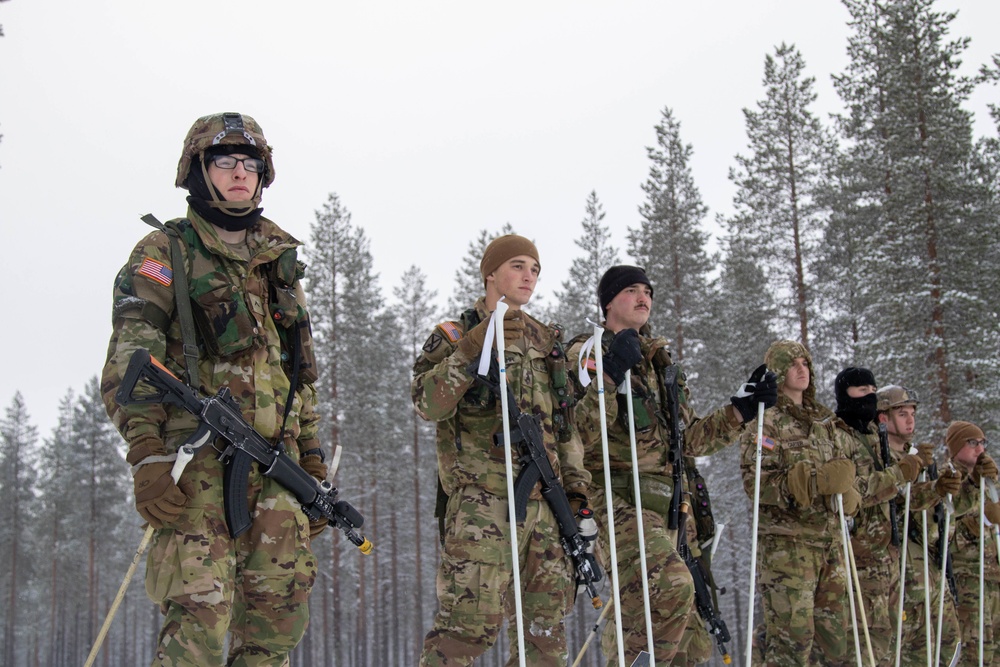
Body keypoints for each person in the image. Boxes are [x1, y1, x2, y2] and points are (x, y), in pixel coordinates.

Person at [102, 112, 325, 666]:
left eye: (250, 164)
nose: (240, 173)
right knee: (197, 628)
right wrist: (147, 456)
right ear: (197, 170)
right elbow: (131, 360)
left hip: (279, 474)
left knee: (277, 627)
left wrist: (314, 467)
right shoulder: (165, 252)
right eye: (224, 161)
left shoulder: (280, 264)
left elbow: (302, 378)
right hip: (195, 468)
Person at [566, 265, 778, 665]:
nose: (644, 297)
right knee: (668, 586)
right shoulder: (590, 351)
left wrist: (742, 409)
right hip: (619, 499)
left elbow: (689, 439)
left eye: (648, 291)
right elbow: (575, 431)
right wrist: (610, 374)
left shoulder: (660, 363)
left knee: (691, 637)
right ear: (609, 301)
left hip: (672, 508)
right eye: (632, 290)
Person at [411, 234, 591, 666]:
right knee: (468, 628)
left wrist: (579, 498)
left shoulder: (547, 342)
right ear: (490, 274)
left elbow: (564, 430)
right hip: (482, 503)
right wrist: (475, 346)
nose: (528, 275)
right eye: (518, 266)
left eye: (535, 269)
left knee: (545, 637)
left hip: (545, 506)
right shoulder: (455, 335)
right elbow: (427, 403)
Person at [739, 340, 858, 666]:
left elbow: (849, 473)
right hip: (787, 551)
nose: (802, 369)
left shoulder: (827, 422)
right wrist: (813, 481)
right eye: (793, 364)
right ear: (778, 372)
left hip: (830, 545)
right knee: (793, 641)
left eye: (805, 362)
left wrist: (850, 494)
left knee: (834, 641)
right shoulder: (766, 422)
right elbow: (756, 482)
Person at [832, 369, 931, 666]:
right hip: (855, 558)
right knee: (863, 647)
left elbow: (903, 501)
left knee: (888, 645)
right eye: (862, 390)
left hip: (888, 558)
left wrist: (932, 485)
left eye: (873, 389)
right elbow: (850, 495)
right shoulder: (835, 435)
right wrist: (896, 475)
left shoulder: (877, 436)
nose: (870, 396)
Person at [876, 385, 965, 666]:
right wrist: (932, 487)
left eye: (912, 413)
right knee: (903, 654)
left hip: (929, 572)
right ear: (883, 418)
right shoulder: (879, 459)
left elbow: (941, 516)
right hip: (898, 576)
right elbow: (902, 499)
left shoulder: (919, 456)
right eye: (902, 414)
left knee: (948, 647)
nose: (910, 420)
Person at [944, 420, 1000, 666]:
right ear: (956, 446)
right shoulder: (948, 477)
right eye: (972, 443)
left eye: (982, 443)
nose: (980, 449)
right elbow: (948, 519)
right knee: (975, 651)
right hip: (966, 578)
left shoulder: (986, 479)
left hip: (992, 575)